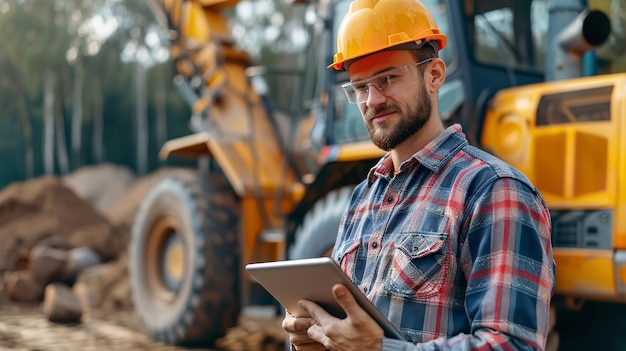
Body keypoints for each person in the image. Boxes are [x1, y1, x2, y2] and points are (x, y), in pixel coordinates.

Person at [282, 0, 556, 349]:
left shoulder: (494, 192)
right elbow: (350, 330)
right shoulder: (363, 198)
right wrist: (317, 338)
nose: (372, 100)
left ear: (434, 75)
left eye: (388, 79)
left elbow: (511, 345)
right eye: (360, 87)